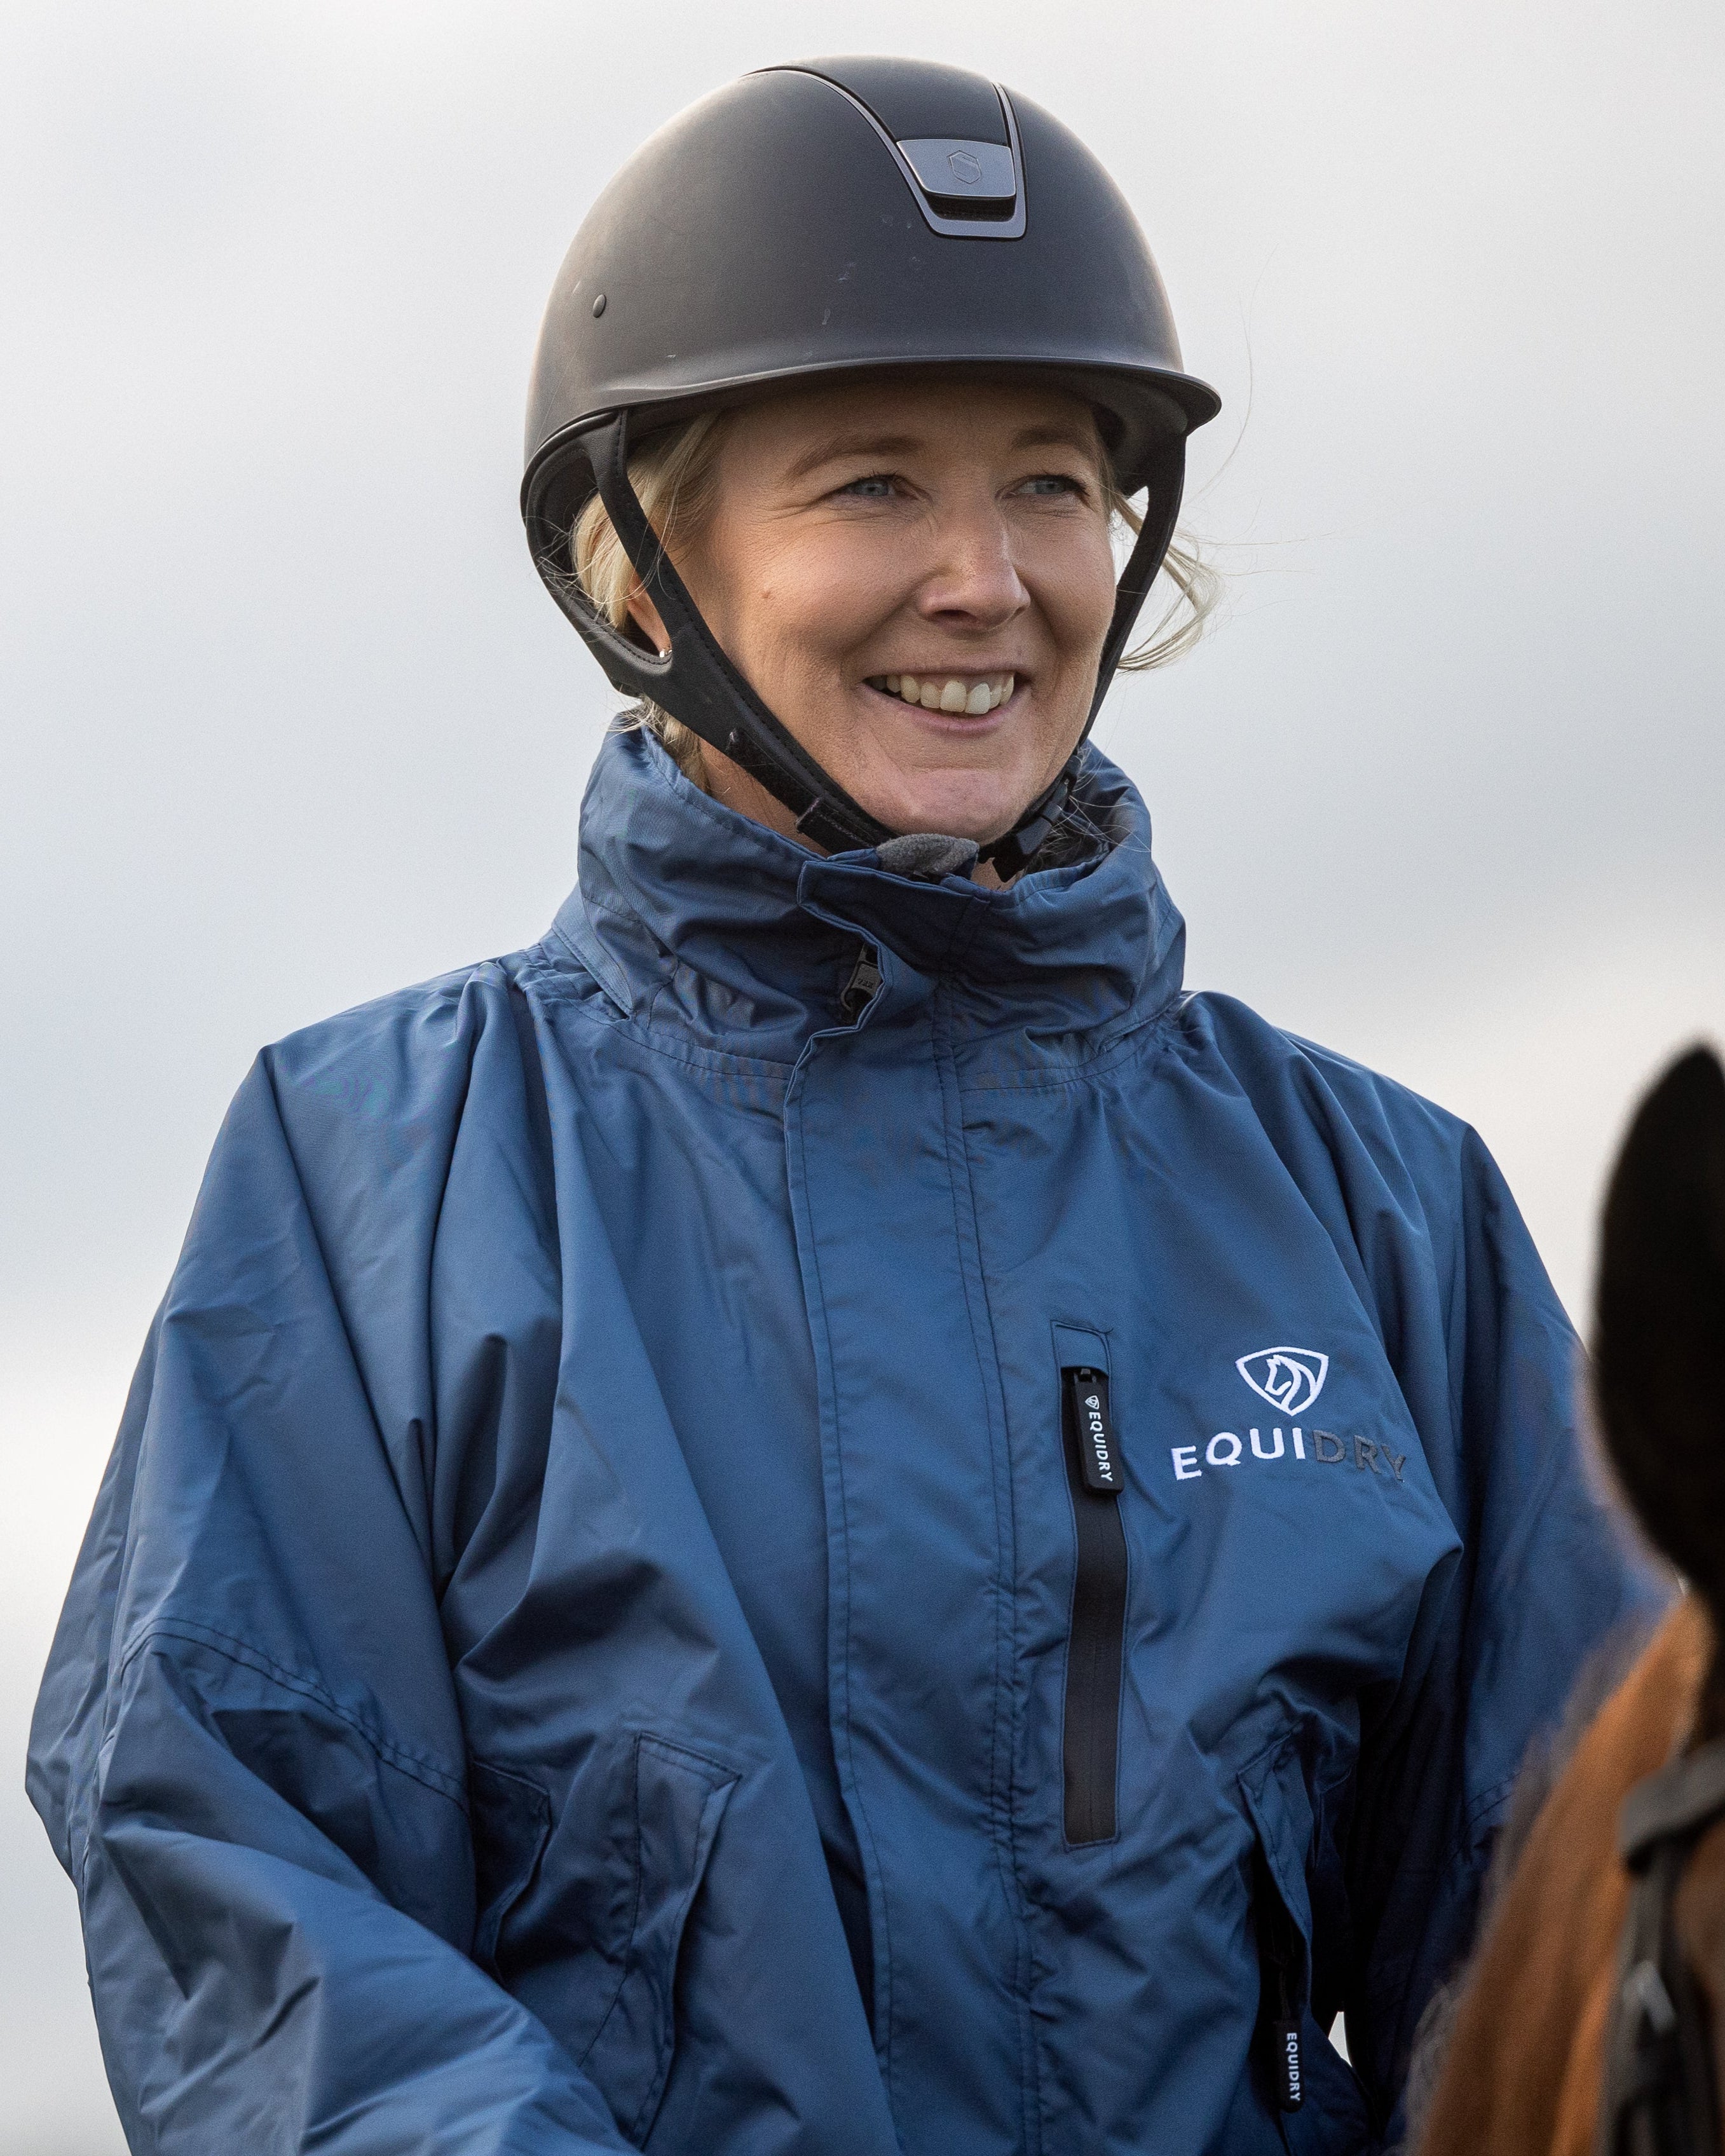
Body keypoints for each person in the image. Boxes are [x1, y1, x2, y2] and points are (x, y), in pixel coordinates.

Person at [28, 55, 1658, 2156]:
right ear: (641, 573)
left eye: (1049, 485)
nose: (984, 578)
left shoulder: (1383, 1208)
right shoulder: (369, 1181)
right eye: (873, 486)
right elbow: (246, 1875)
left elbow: (1576, 1921)